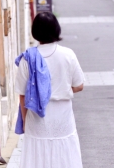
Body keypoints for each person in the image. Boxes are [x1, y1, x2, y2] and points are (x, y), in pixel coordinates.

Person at [16, 12, 85, 168]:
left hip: (36, 118)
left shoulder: (27, 58)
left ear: (35, 31)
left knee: (37, 157)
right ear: (56, 29)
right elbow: (79, 85)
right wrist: (63, 89)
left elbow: (22, 94)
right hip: (62, 115)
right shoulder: (68, 54)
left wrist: (25, 121)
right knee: (65, 154)